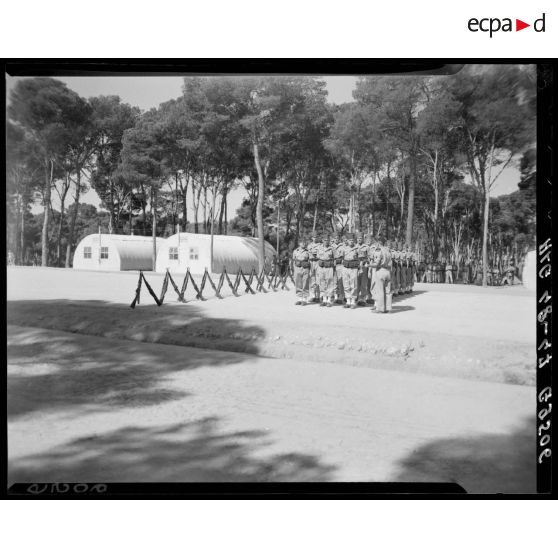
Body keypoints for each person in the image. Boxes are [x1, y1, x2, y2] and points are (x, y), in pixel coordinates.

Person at [371, 240, 392, 313]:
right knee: (388, 291)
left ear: (378, 244)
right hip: (388, 271)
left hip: (381, 271)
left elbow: (376, 263)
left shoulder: (379, 251)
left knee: (380, 291)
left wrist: (368, 265)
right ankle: (388, 308)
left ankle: (380, 308)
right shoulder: (388, 251)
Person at [317, 233, 335, 307]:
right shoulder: (319, 248)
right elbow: (318, 257)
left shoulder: (332, 248)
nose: (326, 241)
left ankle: (329, 299)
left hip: (329, 267)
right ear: (322, 240)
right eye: (325, 240)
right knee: (322, 282)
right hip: (321, 267)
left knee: (329, 282)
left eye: (327, 240)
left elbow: (335, 258)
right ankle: (324, 299)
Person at [342, 233, 360, 309]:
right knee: (346, 284)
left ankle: (353, 301)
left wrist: (360, 268)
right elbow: (341, 258)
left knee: (354, 284)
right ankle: (348, 300)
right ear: (347, 241)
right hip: (345, 268)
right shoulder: (344, 248)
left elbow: (361, 259)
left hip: (354, 268)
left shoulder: (357, 248)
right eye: (349, 240)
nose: (351, 242)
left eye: (352, 240)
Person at [292, 237, 311, 305]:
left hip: (305, 269)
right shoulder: (295, 251)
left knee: (305, 283)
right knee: (298, 283)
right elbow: (293, 260)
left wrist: (309, 269)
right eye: (302, 242)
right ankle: (300, 299)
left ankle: (305, 299)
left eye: (304, 242)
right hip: (297, 269)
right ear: (299, 243)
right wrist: (294, 270)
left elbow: (310, 261)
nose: (304, 244)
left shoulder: (307, 251)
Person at [357, 232, 371, 304]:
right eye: (358, 238)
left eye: (361, 238)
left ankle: (362, 299)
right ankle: (356, 297)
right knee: (356, 282)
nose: (359, 239)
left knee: (363, 283)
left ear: (363, 239)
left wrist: (364, 261)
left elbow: (369, 258)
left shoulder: (366, 247)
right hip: (355, 267)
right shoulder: (354, 247)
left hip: (364, 266)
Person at [307, 233, 321, 302]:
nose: (315, 238)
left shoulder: (320, 245)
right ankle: (312, 295)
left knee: (318, 279)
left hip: (317, 262)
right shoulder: (309, 246)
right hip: (311, 262)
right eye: (313, 237)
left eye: (316, 237)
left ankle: (318, 296)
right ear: (312, 238)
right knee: (312, 279)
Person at [333, 233, 346, 304]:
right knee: (334, 281)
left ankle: (341, 296)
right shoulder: (331, 246)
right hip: (332, 265)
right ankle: (335, 296)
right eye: (335, 238)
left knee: (340, 280)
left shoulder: (342, 246)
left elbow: (344, 256)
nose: (336, 239)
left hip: (340, 265)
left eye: (337, 238)